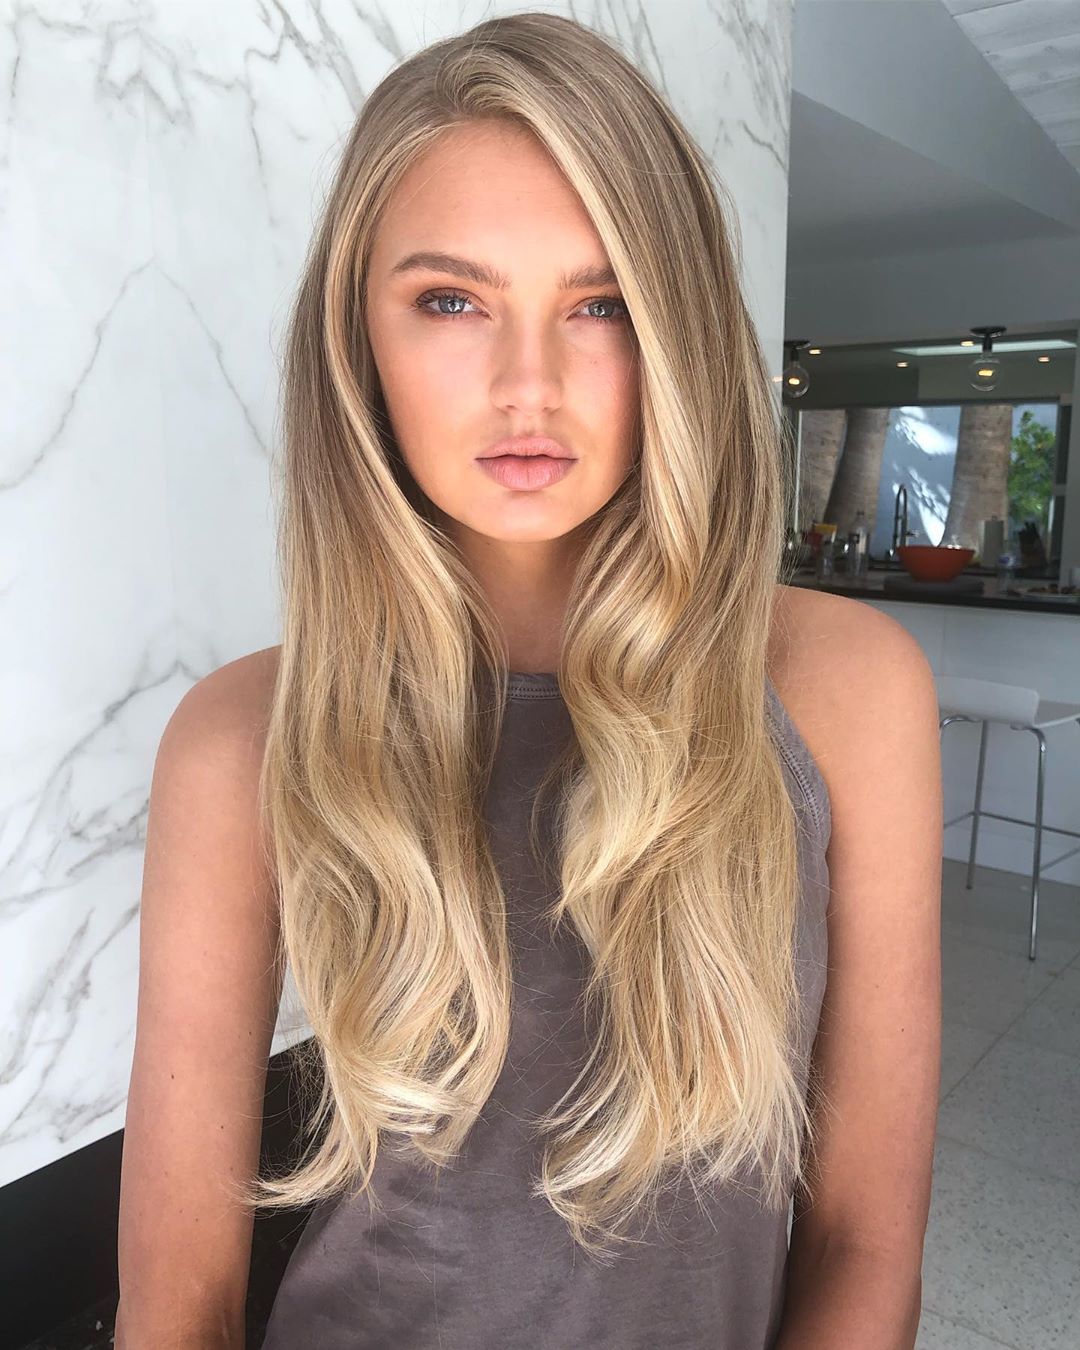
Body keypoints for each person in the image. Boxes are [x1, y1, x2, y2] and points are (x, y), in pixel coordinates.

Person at [115, 12, 943, 1350]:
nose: (528, 384)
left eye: (600, 302)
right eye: (451, 301)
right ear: (358, 340)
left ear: (676, 331)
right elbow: (177, 1302)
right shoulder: (240, 739)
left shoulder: (849, 691)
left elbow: (863, 1239)